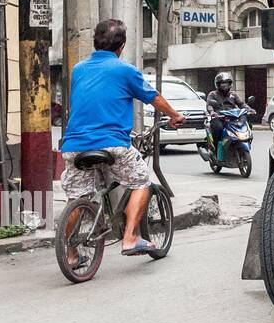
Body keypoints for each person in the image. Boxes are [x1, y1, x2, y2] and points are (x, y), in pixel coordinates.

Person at [58, 19, 185, 256]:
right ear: (121, 46)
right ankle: (130, 238)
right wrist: (175, 115)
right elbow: (153, 98)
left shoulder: (78, 70)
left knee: (77, 196)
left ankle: (71, 254)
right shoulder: (125, 71)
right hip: (111, 144)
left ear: (95, 42)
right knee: (141, 181)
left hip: (73, 145)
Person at [206, 72, 252, 156]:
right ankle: (216, 150)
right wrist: (212, 112)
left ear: (230, 84)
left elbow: (242, 104)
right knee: (218, 128)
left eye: (226, 83)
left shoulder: (233, 94)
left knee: (247, 123)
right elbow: (209, 105)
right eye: (222, 83)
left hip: (233, 117)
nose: (224, 85)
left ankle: (243, 141)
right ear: (218, 84)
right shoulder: (213, 94)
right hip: (219, 118)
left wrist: (249, 109)